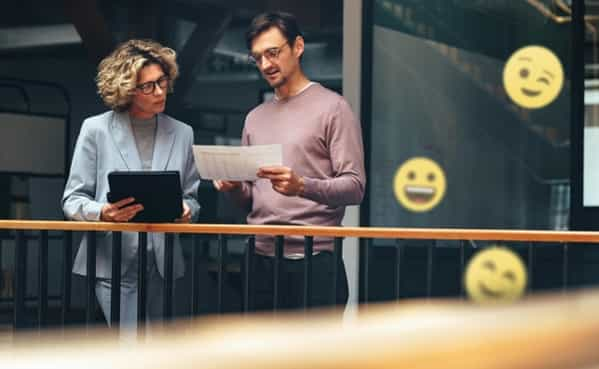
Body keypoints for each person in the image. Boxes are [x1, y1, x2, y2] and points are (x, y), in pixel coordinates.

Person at [214, 12, 365, 311]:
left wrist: (302, 186)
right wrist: (233, 188)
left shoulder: (334, 108)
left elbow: (355, 187)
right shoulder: (254, 118)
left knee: (312, 358)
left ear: (297, 46)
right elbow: (252, 200)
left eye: (273, 53)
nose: (266, 65)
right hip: (258, 261)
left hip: (315, 262)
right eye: (258, 58)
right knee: (261, 357)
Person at [62, 39, 201, 329]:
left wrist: (187, 209)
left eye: (162, 81)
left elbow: (191, 197)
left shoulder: (183, 133)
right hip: (112, 261)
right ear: (127, 90)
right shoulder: (96, 129)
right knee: (131, 348)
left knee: (158, 350)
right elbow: (72, 199)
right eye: (148, 86)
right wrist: (102, 212)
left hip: (163, 265)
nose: (160, 91)